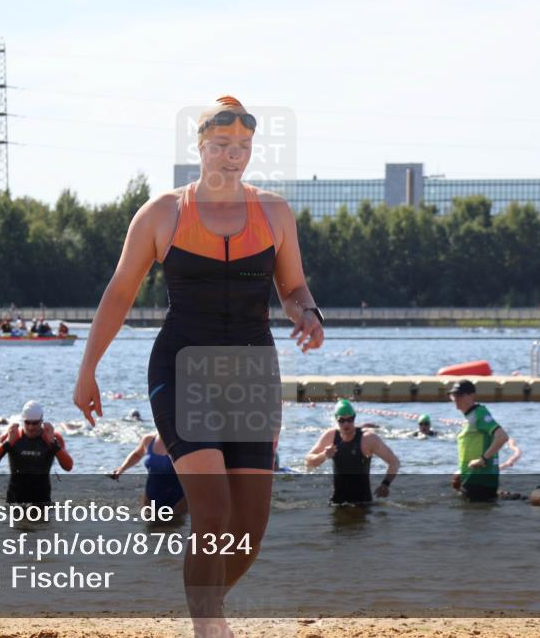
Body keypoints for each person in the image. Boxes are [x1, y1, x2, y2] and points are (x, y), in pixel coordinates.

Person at [73, 96, 324, 637]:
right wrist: (87, 369)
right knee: (210, 515)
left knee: (249, 532)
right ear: (200, 147)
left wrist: (307, 314)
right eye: (221, 146)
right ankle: (207, 628)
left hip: (254, 375)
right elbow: (119, 293)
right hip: (184, 369)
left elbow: (293, 286)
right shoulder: (164, 213)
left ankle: (206, 610)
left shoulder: (274, 212)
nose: (232, 158)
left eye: (243, 148)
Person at [305, 399, 400, 505]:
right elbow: (308, 461)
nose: (346, 424)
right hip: (337, 502)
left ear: (354, 417)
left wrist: (385, 484)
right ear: (336, 420)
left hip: (363, 503)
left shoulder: (368, 439)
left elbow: (394, 462)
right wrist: (324, 455)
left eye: (350, 419)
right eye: (342, 420)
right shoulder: (330, 436)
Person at [0, 401, 73, 504]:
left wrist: (53, 444)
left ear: (41, 421)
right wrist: (8, 443)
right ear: (23, 420)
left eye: (35, 423)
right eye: (27, 422)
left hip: (42, 502)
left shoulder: (53, 438)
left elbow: (68, 466)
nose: (31, 427)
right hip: (14, 503)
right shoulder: (12, 436)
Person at [448, 380, 508, 502]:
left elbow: (502, 436)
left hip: (479, 481)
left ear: (472, 396)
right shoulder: (470, 418)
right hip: (471, 479)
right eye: (454, 395)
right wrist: (462, 471)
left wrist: (482, 459)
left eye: (460, 395)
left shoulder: (479, 414)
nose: (456, 398)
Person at [109, 433, 188, 515]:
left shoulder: (187, 443)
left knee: (175, 524)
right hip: (151, 496)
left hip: (179, 498)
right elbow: (137, 454)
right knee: (149, 526)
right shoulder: (149, 440)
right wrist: (122, 468)